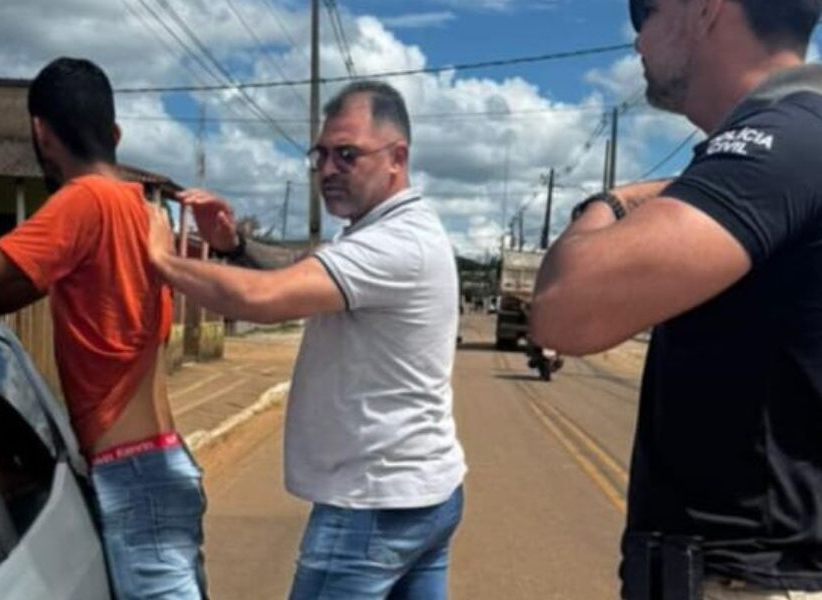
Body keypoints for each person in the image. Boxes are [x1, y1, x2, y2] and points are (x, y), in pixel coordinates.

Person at [0, 58, 207, 599]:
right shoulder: (137, 209)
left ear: (40, 132)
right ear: (115, 134)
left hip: (132, 473)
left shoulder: (83, 202)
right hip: (158, 465)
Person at [530, 0, 822, 598]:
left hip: (747, 582)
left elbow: (564, 309)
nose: (636, 39)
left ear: (705, 9)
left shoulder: (784, 143)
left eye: (645, 12)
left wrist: (610, 203)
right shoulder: (788, 145)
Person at [147, 80, 466, 600]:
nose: (328, 169)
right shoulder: (385, 231)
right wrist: (234, 245)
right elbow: (298, 268)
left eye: (347, 154)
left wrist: (161, 259)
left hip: (372, 505)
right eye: (320, 156)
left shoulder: (396, 243)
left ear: (397, 158)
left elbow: (262, 298)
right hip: (425, 494)